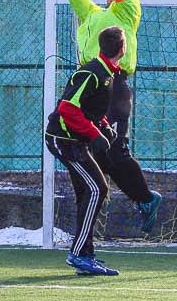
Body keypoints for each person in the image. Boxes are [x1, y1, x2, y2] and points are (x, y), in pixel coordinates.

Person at [66, 0, 162, 234]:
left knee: (115, 149)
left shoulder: (128, 11)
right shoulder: (93, 16)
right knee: (95, 151)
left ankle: (146, 198)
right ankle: (95, 209)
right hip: (90, 87)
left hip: (115, 87)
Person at [46, 26, 126, 276]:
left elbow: (90, 107)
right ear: (122, 49)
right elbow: (68, 109)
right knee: (98, 188)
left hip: (75, 139)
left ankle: (86, 254)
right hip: (63, 139)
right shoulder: (91, 73)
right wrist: (94, 135)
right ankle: (78, 254)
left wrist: (103, 126)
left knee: (86, 191)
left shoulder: (107, 74)